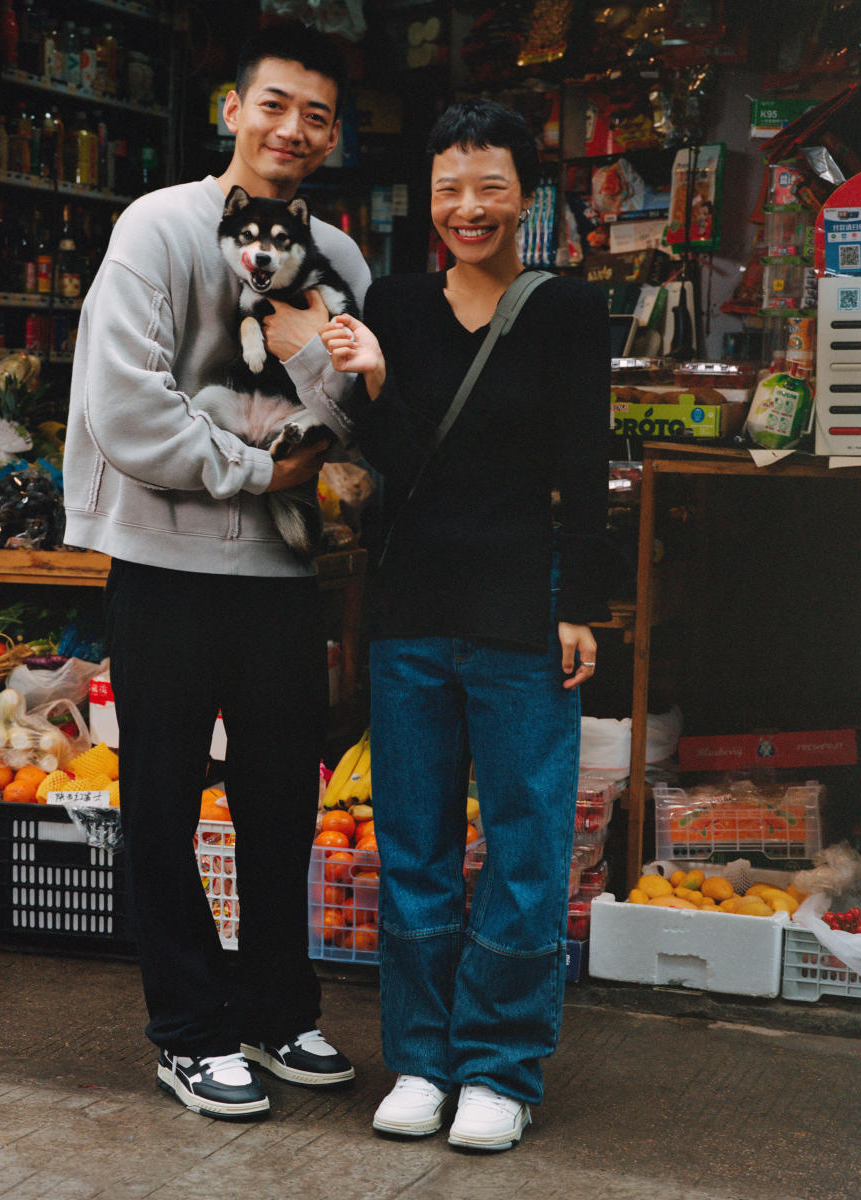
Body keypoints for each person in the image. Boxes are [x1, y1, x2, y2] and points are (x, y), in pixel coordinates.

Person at [62, 21, 371, 1121]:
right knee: (158, 798)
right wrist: (255, 465)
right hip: (165, 563)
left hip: (285, 579)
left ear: (333, 136)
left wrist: (301, 372)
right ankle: (188, 1033)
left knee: (282, 800)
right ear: (232, 110)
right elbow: (125, 408)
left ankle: (277, 1009)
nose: (294, 127)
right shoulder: (158, 228)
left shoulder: (344, 261)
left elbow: (341, 413)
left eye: (317, 114)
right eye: (275, 103)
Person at [322, 98, 610, 1151]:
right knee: (416, 846)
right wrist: (383, 379)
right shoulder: (394, 301)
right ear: (429, 201)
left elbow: (587, 465)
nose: (468, 208)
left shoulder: (568, 310)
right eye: (450, 189)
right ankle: (423, 1059)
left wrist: (584, 604)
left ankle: (500, 1066)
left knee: (528, 844)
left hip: (521, 608)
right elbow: (393, 460)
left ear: (524, 197)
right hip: (411, 611)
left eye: (489, 187)